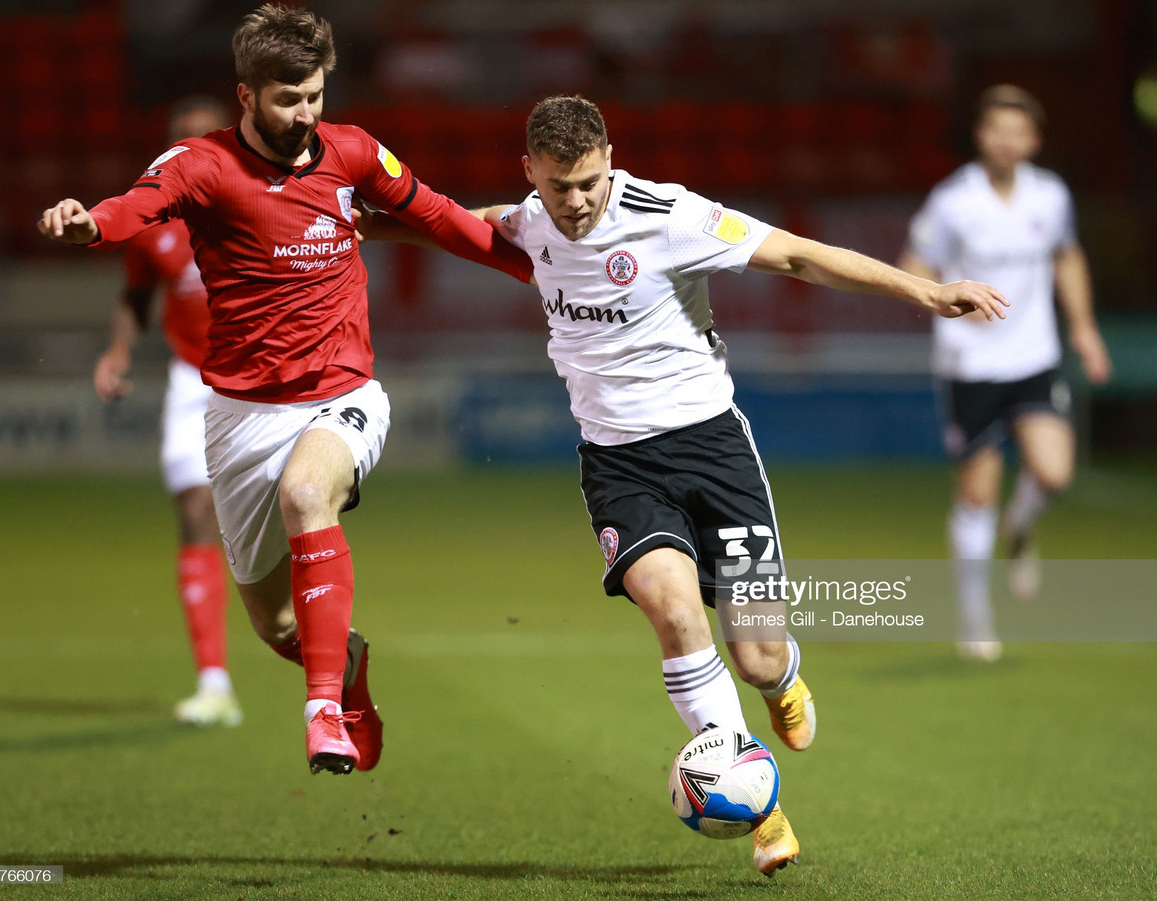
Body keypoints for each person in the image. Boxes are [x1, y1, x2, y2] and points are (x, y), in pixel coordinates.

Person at [365, 95, 1007, 876]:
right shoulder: (527, 222)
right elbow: (440, 223)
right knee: (672, 611)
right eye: (560, 186)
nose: (577, 202)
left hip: (714, 453)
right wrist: (335, 225)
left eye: (591, 182)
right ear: (530, 171)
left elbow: (799, 255)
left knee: (758, 652)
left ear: (611, 159)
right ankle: (762, 808)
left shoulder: (671, 215)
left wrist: (927, 293)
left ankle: (784, 678)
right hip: (618, 464)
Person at [40, 4, 533, 775]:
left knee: (308, 495)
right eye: (287, 99)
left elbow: (436, 215)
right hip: (240, 417)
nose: (305, 114)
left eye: (315, 95)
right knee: (274, 626)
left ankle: (323, 713)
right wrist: (87, 225)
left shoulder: (354, 152)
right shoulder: (201, 164)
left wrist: (536, 271)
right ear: (246, 97)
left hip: (343, 394)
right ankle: (351, 675)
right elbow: (132, 208)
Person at [898, 85, 1112, 662]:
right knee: (977, 492)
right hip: (971, 366)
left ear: (1034, 140)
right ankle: (974, 616)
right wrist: (943, 301)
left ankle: (1021, 529)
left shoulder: (1050, 195)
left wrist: (1085, 329)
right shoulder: (953, 201)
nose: (1008, 140)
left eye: (1019, 131)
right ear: (981, 136)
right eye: (997, 128)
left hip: (1034, 358)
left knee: (1055, 473)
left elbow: (1067, 257)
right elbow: (915, 265)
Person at [93, 96, 242, 728]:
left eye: (199, 136)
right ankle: (213, 680)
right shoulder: (152, 224)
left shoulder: (249, 205)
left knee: (287, 511)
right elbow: (135, 292)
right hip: (191, 377)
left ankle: (317, 660)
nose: (188, 148)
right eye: (177, 138)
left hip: (259, 375)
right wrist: (119, 351)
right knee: (192, 508)